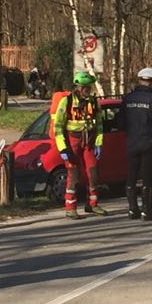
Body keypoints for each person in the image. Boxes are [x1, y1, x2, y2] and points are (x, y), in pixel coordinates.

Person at [54, 72, 107, 219]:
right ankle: (70, 207)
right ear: (77, 88)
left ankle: (93, 204)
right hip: (72, 142)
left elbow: (100, 125)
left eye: (88, 87)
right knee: (74, 175)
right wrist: (62, 147)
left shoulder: (93, 102)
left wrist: (98, 143)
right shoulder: (67, 102)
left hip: (89, 142)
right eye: (85, 88)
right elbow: (58, 127)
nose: (88, 90)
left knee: (93, 173)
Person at [119, 68, 152, 220]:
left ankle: (132, 209)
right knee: (147, 178)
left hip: (132, 142)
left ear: (139, 80)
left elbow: (120, 122)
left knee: (132, 177)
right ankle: (147, 211)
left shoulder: (128, 99)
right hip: (149, 143)